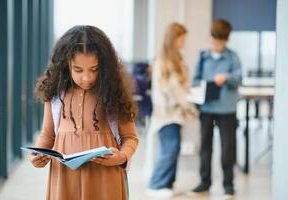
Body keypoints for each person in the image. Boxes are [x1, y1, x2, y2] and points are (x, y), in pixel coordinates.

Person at [31, 25, 139, 200]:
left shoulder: (112, 93)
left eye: (94, 69)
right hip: (64, 178)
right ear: (65, 65)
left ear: (104, 66)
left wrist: (122, 157)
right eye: (78, 70)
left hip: (105, 178)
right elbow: (47, 134)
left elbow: (130, 137)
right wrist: (38, 155)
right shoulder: (55, 94)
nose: (87, 78)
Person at [146, 22, 197, 198]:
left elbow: (183, 86)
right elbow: (173, 90)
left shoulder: (177, 59)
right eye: (182, 38)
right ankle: (156, 185)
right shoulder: (164, 62)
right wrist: (191, 105)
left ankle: (167, 184)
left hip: (176, 114)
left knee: (173, 148)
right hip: (166, 115)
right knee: (170, 148)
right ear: (173, 39)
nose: (183, 42)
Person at [191, 19, 242, 198]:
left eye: (221, 42)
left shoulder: (233, 57)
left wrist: (226, 78)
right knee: (205, 147)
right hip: (207, 108)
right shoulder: (203, 57)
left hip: (227, 109)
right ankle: (205, 182)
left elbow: (239, 78)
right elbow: (195, 80)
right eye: (215, 41)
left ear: (226, 40)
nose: (217, 45)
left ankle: (228, 185)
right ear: (210, 38)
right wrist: (204, 85)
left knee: (228, 147)